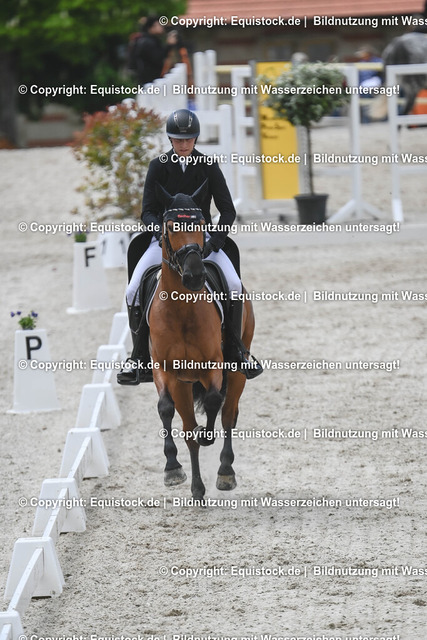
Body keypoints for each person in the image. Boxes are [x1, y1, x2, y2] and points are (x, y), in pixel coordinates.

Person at [117, 108, 263, 385]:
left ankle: (236, 351)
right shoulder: (158, 166)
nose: (183, 145)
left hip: (202, 240)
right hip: (165, 240)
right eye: (178, 140)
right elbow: (147, 211)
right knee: (133, 289)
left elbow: (228, 210)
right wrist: (161, 232)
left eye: (188, 140)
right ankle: (138, 357)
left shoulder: (208, 165)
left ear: (195, 139)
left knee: (234, 284)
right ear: (170, 139)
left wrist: (214, 241)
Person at [134, 15, 176, 86]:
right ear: (151, 27)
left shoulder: (152, 40)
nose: (162, 27)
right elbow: (158, 58)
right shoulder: (147, 42)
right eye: (159, 25)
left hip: (152, 80)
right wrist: (169, 46)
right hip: (149, 81)